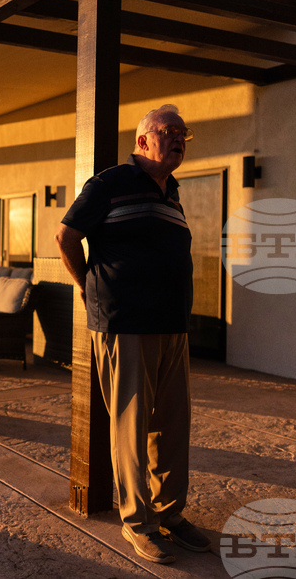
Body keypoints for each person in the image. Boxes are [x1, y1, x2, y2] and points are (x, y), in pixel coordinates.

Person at [54, 104, 211, 565]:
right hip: (125, 324)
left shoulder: (173, 192)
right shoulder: (110, 183)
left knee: (173, 425)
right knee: (131, 427)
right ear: (143, 140)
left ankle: (170, 513)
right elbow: (65, 236)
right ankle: (137, 522)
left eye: (184, 132)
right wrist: (87, 288)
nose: (179, 138)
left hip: (172, 325)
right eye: (170, 131)